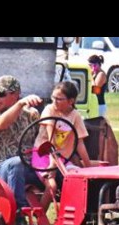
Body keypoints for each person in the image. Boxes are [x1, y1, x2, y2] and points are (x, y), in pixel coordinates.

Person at [0, 75, 44, 225]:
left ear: (15, 94)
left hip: (29, 166)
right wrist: (21, 104)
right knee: (16, 164)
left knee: (59, 171)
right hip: (2, 168)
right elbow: (0, 125)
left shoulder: (31, 115)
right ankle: (18, 217)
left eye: (1, 94)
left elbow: (42, 137)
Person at [32, 80, 92, 208]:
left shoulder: (75, 116)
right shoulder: (50, 110)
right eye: (53, 98)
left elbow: (79, 143)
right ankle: (40, 220)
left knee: (78, 180)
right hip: (43, 154)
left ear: (71, 101)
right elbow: (50, 141)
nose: (54, 101)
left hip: (62, 158)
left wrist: (89, 168)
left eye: (59, 99)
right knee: (52, 186)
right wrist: (53, 165)